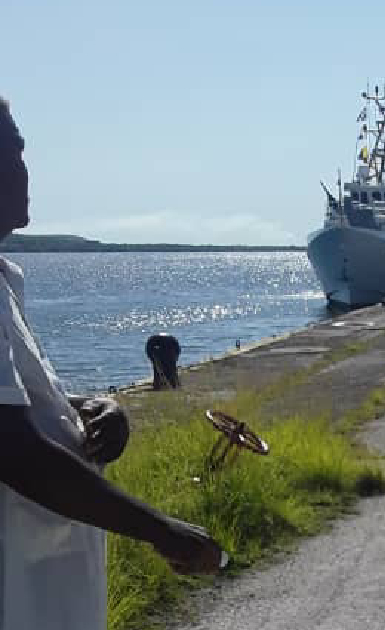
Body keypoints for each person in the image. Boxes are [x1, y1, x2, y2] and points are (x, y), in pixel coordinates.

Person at [0, 97, 223, 630]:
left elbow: (22, 400)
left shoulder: (7, 279)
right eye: (12, 152)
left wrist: (96, 407)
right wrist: (161, 530)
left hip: (44, 582)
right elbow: (14, 450)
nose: (23, 169)